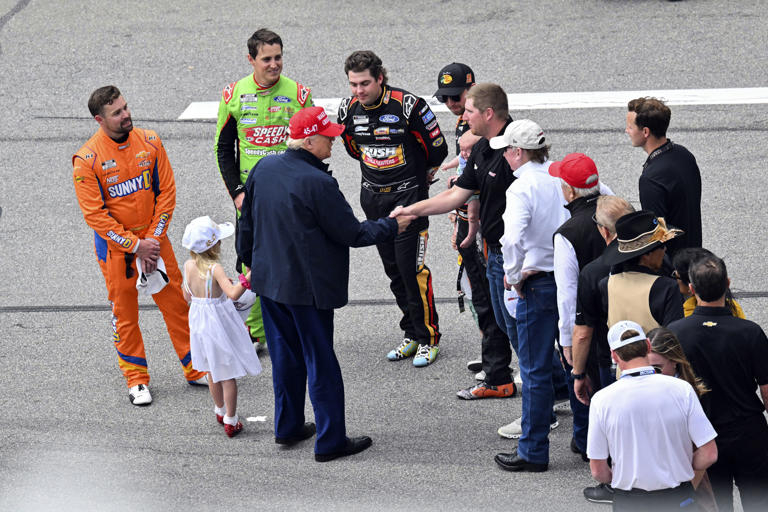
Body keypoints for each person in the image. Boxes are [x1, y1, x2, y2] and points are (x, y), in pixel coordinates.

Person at [237, 106, 415, 462]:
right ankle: (331, 440)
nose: (334, 141)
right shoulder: (319, 183)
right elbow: (351, 233)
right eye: (328, 136)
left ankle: (287, 427)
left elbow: (247, 223)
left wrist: (248, 263)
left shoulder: (265, 167)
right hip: (307, 290)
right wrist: (395, 226)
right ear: (310, 140)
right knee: (321, 362)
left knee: (285, 357)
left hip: (270, 283)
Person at [72, 85, 207, 406]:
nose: (126, 114)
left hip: (155, 241)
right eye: (117, 112)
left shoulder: (150, 141)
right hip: (118, 249)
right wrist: (136, 247)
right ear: (99, 120)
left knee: (176, 303)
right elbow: (96, 217)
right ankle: (136, 379)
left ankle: (194, 367)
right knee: (125, 313)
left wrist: (152, 241)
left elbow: (167, 194)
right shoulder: (86, 160)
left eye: (126, 107)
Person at [391, 83, 517, 399]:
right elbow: (456, 195)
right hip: (492, 251)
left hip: (517, 257)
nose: (463, 115)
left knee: (521, 329)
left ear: (488, 114)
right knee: (502, 321)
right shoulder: (482, 149)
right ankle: (508, 379)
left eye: (469, 111)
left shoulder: (516, 150)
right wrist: (410, 209)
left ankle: (546, 396)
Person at [338, 50, 447, 367]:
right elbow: (351, 148)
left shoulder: (409, 105)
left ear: (380, 78)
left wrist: (419, 178)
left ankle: (429, 337)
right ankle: (411, 333)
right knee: (394, 272)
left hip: (409, 199)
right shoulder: (347, 109)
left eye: (365, 83)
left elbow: (436, 148)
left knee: (411, 270)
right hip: (373, 200)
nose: (359, 91)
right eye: (354, 84)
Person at [214, 28, 313, 347]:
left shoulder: (299, 95)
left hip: (288, 194)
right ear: (251, 60)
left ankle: (288, 322)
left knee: (292, 256)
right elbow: (223, 148)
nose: (274, 64)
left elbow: (313, 145)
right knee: (250, 260)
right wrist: (237, 192)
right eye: (267, 59)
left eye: (278, 57)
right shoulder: (233, 95)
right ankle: (255, 329)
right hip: (250, 196)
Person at [490, 119, 568, 473]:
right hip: (571, 280)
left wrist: (514, 276)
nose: (505, 157)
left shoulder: (520, 188)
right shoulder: (563, 174)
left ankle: (534, 450)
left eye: (507, 150)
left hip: (537, 285)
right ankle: (584, 439)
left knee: (535, 369)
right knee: (578, 360)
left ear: (518, 152)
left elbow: (510, 240)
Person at [669, 254, 768, 511]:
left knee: (716, 505)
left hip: (703, 434)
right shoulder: (750, 332)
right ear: (728, 283)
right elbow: (767, 391)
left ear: (691, 289)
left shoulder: (676, 333)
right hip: (750, 432)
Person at [587, 320, 718, 511]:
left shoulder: (602, 400)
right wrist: (680, 466)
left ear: (614, 356)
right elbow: (709, 453)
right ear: (647, 346)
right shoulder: (682, 390)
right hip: (678, 497)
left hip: (630, 500)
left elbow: (598, 471)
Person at [549, 153, 613, 462]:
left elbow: (566, 294)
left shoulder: (567, 234)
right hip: (627, 318)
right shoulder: (617, 210)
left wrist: (566, 343)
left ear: (570, 192)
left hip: (589, 325)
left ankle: (589, 442)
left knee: (585, 385)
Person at [572, 195, 635, 505]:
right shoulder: (657, 259)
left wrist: (578, 373)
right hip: (655, 354)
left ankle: (618, 483)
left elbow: (583, 333)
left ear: (605, 232)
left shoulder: (593, 272)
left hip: (611, 359)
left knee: (616, 422)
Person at [181, 216, 262, 438]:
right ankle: (231, 419)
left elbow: (186, 294)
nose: (221, 244)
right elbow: (233, 293)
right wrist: (248, 277)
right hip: (217, 323)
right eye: (218, 241)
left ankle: (219, 409)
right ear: (212, 246)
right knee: (228, 374)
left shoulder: (188, 265)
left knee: (211, 370)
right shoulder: (215, 269)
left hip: (199, 321)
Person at [625, 97, 702, 257]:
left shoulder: (651, 179)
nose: (627, 131)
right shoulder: (684, 154)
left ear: (645, 132)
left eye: (630, 127)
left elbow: (658, 234)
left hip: (674, 264)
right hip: (695, 252)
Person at [598, 210, 685, 334]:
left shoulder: (605, 284)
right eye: (661, 246)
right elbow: (675, 338)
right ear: (646, 255)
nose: (665, 249)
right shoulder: (667, 288)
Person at [671, 248, 745, 318]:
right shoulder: (734, 307)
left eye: (676, 276)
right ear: (727, 283)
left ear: (691, 287)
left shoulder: (681, 313)